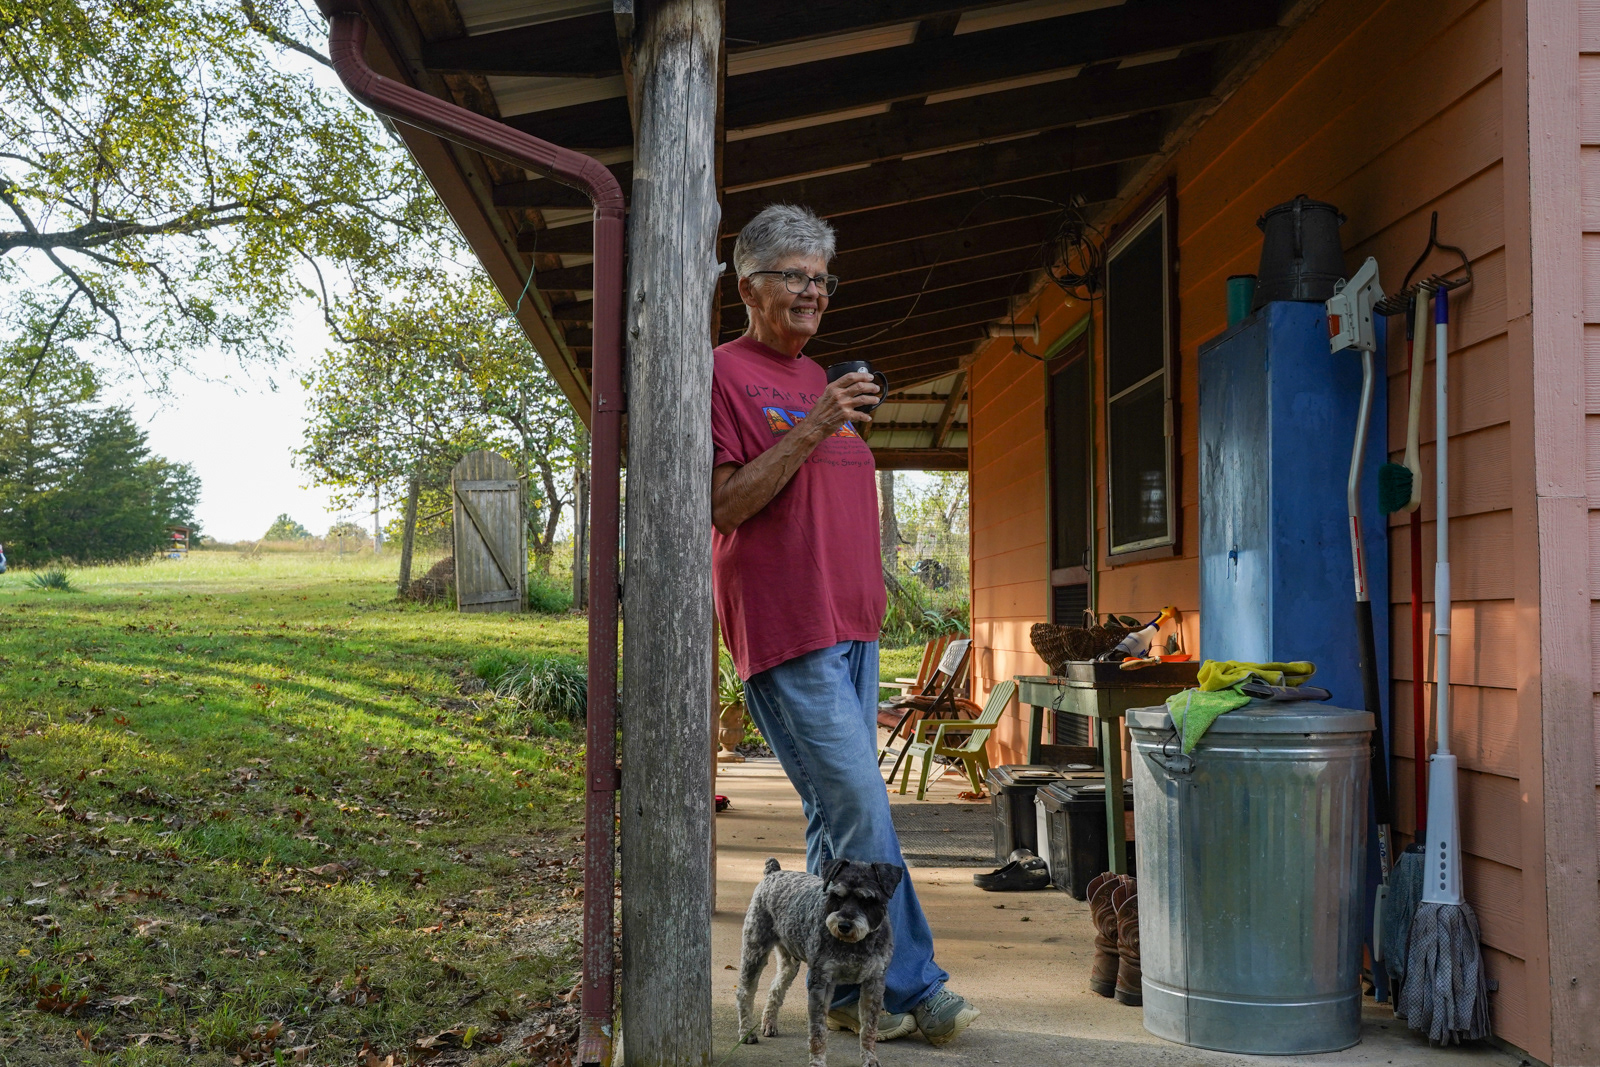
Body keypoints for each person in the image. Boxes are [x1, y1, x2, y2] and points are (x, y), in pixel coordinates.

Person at [709, 203, 979, 1046]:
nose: (812, 292)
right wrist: (819, 424)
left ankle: (834, 992)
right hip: (787, 627)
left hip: (852, 627)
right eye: (795, 275)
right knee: (863, 808)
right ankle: (907, 986)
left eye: (822, 278)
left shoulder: (820, 373)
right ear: (750, 284)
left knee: (833, 818)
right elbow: (724, 504)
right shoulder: (722, 372)